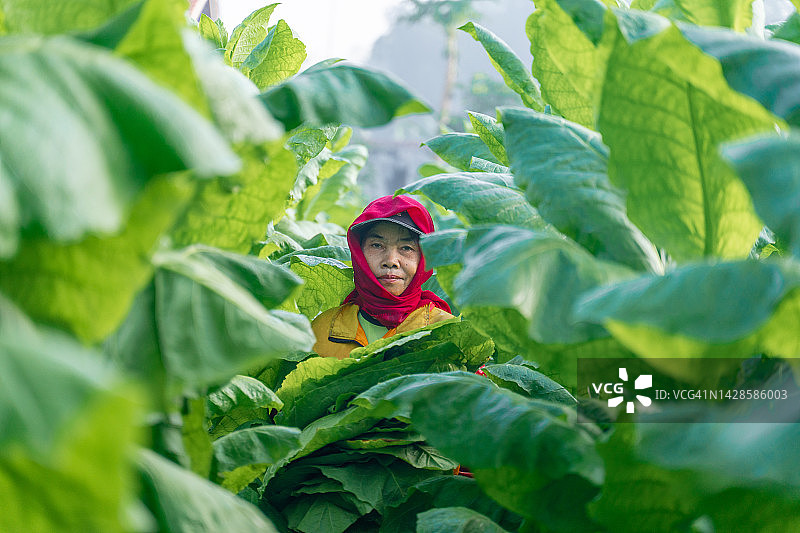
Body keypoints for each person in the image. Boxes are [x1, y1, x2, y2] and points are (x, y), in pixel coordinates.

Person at [311, 195, 454, 359]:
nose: (391, 261)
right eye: (377, 245)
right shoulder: (321, 330)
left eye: (406, 248)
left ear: (424, 257)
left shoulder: (446, 331)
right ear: (359, 253)